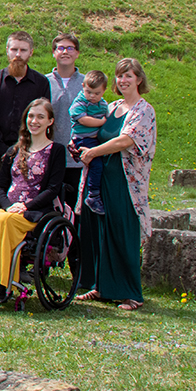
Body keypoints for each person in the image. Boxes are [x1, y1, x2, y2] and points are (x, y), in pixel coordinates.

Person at [75, 58, 156, 312]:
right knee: (101, 232)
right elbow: (91, 130)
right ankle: (102, 287)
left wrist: (94, 152)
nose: (123, 80)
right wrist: (80, 147)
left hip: (125, 181)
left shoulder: (144, 110)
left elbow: (125, 140)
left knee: (123, 232)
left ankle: (132, 293)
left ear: (139, 79)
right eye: (120, 76)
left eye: (128, 76)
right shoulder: (111, 107)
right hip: (101, 179)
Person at [0, 99, 65, 302]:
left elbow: (52, 189)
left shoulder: (56, 150)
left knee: (6, 222)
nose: (34, 121)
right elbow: (1, 187)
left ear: (50, 121)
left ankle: (3, 282)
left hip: (36, 211)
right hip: (11, 208)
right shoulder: (14, 150)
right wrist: (9, 206)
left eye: (41, 117)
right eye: (31, 116)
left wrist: (25, 206)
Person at [0, 31, 51, 212]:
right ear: (7, 51)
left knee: (26, 205)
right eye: (14, 49)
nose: (18, 54)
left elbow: (43, 119)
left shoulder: (41, 83)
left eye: (23, 50)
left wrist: (23, 149)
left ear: (31, 52)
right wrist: (5, 151)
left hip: (30, 153)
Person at [47, 33, 86, 206]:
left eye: (70, 48)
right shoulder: (44, 82)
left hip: (78, 159)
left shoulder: (87, 84)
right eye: (60, 48)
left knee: (75, 212)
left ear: (77, 53)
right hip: (50, 157)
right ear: (54, 53)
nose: (65, 52)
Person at [70, 71, 110, 213]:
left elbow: (109, 116)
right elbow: (83, 119)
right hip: (82, 139)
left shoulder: (103, 104)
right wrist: (101, 122)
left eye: (97, 93)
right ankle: (93, 194)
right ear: (83, 87)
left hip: (95, 140)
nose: (92, 96)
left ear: (104, 90)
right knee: (96, 164)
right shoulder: (80, 102)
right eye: (89, 92)